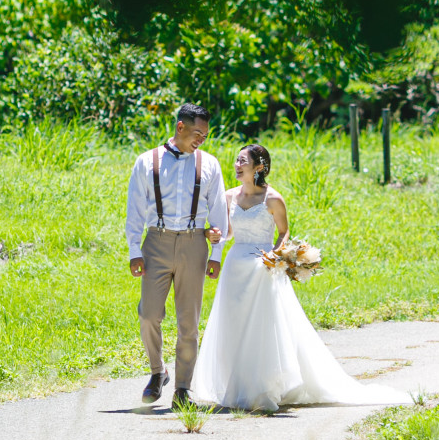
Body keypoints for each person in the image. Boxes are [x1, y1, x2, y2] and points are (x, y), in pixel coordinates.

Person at [190, 143, 413, 413]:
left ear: (258, 167)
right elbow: (227, 233)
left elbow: (283, 232)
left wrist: (275, 254)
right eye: (236, 161)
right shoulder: (228, 197)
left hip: (263, 268)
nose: (237, 165)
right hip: (235, 267)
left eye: (243, 161)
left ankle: (261, 388)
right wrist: (214, 236)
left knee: (261, 328)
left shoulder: (273, 199)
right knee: (234, 324)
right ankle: (234, 384)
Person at [126, 102, 229, 407]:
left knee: (189, 321)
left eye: (206, 135)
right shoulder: (147, 161)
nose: (202, 139)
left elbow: (219, 212)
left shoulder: (209, 164)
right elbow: (135, 208)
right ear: (180, 127)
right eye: (198, 132)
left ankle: (182, 388)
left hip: (193, 243)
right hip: (155, 242)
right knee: (148, 314)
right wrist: (134, 249)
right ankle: (158, 372)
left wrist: (216, 253)